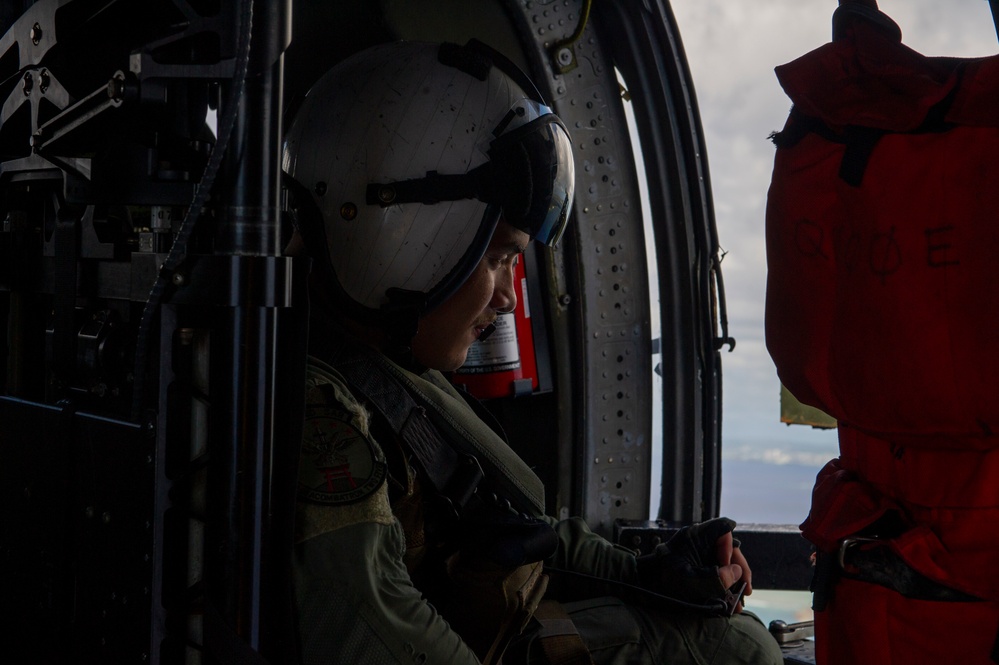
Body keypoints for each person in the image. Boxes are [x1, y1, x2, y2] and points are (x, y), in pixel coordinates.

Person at [283, 39, 782, 665]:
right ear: (404, 240)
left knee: (737, 643)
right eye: (497, 259)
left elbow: (518, 527)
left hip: (507, 622)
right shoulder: (320, 413)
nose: (508, 302)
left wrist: (651, 571)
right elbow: (372, 632)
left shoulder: (386, 364)